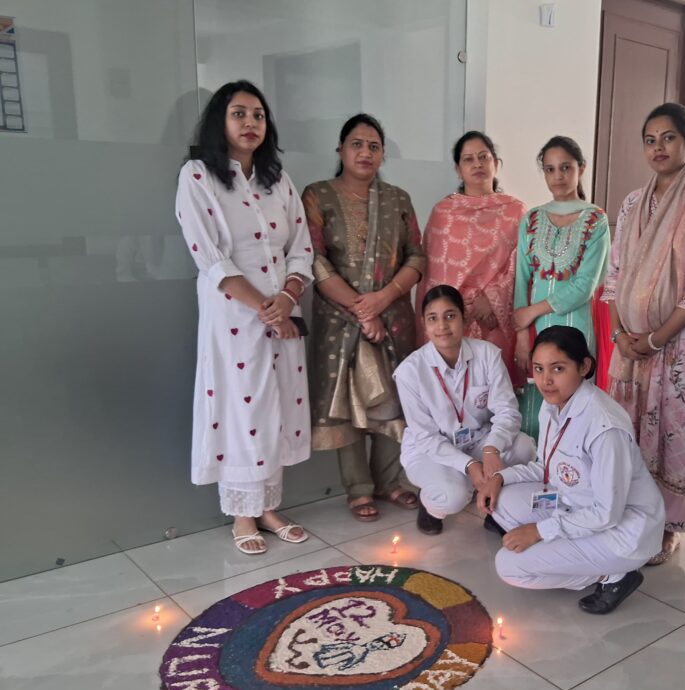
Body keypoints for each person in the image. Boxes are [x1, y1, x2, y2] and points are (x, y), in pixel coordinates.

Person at [175, 80, 312, 554]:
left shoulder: (278, 179)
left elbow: (301, 247)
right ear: (221, 121)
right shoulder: (198, 176)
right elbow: (210, 258)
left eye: (258, 115)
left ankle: (269, 507)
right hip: (234, 316)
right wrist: (267, 309)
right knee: (242, 407)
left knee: (276, 405)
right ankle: (242, 514)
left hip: (282, 312)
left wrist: (288, 299)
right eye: (239, 114)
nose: (250, 123)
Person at [604, 103, 685, 565]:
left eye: (669, 138)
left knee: (671, 433)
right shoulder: (632, 203)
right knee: (627, 429)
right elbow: (615, 274)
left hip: (678, 345)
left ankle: (669, 525)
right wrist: (620, 334)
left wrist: (655, 339)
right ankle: (630, 513)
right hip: (629, 344)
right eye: (650, 140)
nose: (658, 148)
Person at [479, 326, 665, 615]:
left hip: (621, 532)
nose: (545, 380)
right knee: (500, 500)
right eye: (539, 368)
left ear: (584, 367)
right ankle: (575, 551)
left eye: (558, 368)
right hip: (575, 504)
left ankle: (613, 576)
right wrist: (500, 477)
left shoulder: (605, 427)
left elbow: (606, 514)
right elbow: (545, 466)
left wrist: (539, 531)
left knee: (508, 566)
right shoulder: (552, 405)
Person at [301, 113, 425, 522]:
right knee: (348, 399)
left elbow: (416, 257)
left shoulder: (398, 199)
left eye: (374, 146)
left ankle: (389, 480)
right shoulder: (317, 195)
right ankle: (358, 488)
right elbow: (314, 259)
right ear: (340, 149)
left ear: (383, 154)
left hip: (392, 316)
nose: (365, 152)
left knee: (393, 396)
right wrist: (361, 308)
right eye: (356, 144)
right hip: (339, 318)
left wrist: (383, 299)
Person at [395, 285, 535, 534]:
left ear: (464, 318)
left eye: (450, 316)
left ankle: (498, 512)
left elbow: (507, 411)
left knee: (524, 447)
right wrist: (469, 465)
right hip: (431, 449)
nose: (442, 326)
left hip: (478, 438)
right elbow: (426, 437)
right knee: (455, 493)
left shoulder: (487, 354)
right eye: (433, 318)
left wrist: (492, 448)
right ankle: (431, 507)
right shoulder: (409, 371)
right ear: (424, 324)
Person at [514, 136, 610, 438]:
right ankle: (542, 464)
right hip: (535, 328)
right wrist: (521, 334)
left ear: (581, 168)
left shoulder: (595, 219)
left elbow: (585, 285)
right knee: (537, 410)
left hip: (577, 325)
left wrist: (533, 311)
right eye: (550, 169)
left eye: (565, 167)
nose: (557, 176)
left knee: (577, 408)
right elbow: (521, 278)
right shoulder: (532, 219)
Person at [419, 132, 526, 385]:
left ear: (496, 163)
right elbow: (434, 274)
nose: (477, 164)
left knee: (495, 389)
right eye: (468, 159)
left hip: (495, 322)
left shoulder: (516, 212)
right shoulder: (443, 213)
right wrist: (461, 305)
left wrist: (492, 299)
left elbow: (522, 266)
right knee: (451, 390)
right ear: (458, 170)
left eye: (483, 157)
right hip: (451, 321)